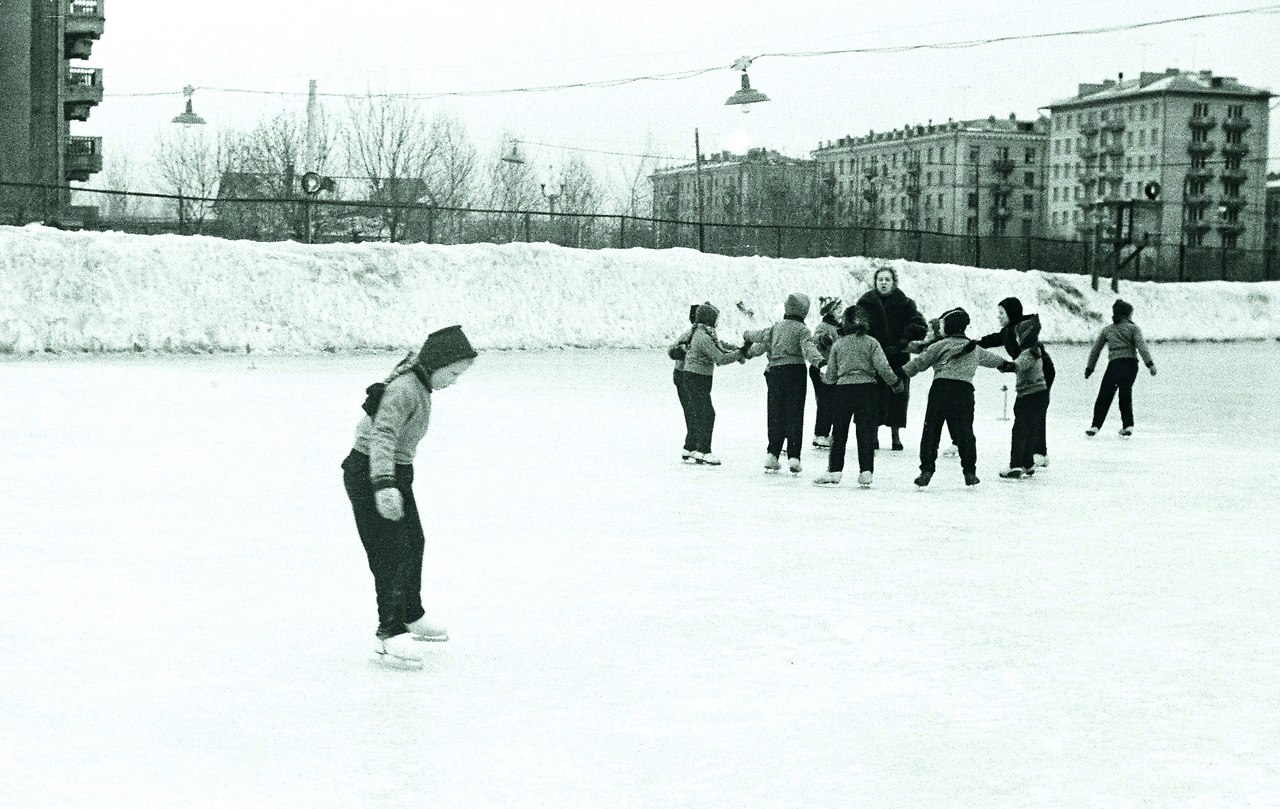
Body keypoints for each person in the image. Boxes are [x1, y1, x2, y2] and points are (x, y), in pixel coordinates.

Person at [342, 325, 478, 669]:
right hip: (372, 471)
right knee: (389, 552)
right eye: (453, 373)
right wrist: (384, 484)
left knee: (412, 542)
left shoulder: (419, 381)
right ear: (436, 364)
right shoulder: (405, 389)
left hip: (395, 471)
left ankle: (411, 614)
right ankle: (390, 632)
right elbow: (382, 435)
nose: (454, 381)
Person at [900, 307, 1014, 488]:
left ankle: (926, 470)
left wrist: (900, 373)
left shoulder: (939, 345)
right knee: (965, 433)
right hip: (964, 392)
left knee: (931, 431)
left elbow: (920, 362)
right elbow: (992, 359)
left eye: (943, 324)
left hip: (940, 390)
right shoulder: (974, 348)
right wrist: (1007, 365)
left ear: (949, 327)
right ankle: (970, 472)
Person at [814, 305, 903, 488]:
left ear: (844, 323)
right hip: (867, 390)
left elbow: (831, 375)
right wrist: (895, 383)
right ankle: (866, 472)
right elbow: (883, 367)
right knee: (866, 432)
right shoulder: (872, 342)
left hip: (843, 391)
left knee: (839, 432)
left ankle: (834, 471)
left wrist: (825, 378)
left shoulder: (839, 344)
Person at [743, 293, 824, 474]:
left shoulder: (775, 328)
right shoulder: (802, 330)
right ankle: (794, 457)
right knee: (795, 412)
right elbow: (809, 349)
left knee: (775, 412)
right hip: (795, 372)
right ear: (804, 311)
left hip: (775, 373)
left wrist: (746, 347)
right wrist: (821, 362)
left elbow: (758, 340)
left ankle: (772, 454)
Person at [978, 296, 1056, 468]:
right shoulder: (1008, 331)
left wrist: (1012, 366)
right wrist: (975, 344)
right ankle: (1033, 455)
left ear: (1010, 314)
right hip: (1029, 369)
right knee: (1032, 412)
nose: (998, 316)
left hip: (1043, 370)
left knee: (1034, 412)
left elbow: (1035, 351)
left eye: (1001, 313)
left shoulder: (1020, 330)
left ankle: (1039, 453)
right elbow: (993, 339)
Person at [856, 267, 927, 451]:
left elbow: (919, 323)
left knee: (898, 394)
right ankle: (874, 435)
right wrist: (868, 341)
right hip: (873, 356)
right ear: (875, 282)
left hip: (898, 357)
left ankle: (895, 435)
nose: (884, 283)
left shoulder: (906, 303)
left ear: (894, 282)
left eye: (888, 279)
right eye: (880, 279)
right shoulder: (865, 302)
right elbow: (856, 323)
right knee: (874, 395)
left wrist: (905, 339)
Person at [682, 303, 747, 465]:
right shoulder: (702, 337)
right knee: (707, 414)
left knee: (699, 413)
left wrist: (736, 351)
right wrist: (740, 353)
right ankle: (704, 451)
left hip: (696, 377)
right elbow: (720, 358)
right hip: (696, 377)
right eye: (715, 318)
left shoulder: (702, 333)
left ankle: (692, 448)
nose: (717, 322)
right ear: (708, 320)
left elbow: (720, 347)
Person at [1085, 299, 1156, 437]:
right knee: (1125, 393)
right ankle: (1128, 426)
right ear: (1127, 315)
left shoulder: (1107, 330)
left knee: (1104, 395)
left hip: (1115, 365)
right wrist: (1150, 364)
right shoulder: (1134, 329)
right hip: (1131, 365)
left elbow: (1096, 351)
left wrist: (1089, 368)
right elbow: (1142, 347)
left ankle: (1095, 426)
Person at [999, 315, 1049, 479]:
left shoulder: (1031, 352)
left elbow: (1021, 364)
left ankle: (1015, 465)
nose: (1018, 339)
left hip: (1029, 395)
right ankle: (1027, 463)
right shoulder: (1035, 349)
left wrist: (1009, 366)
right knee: (1030, 430)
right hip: (1039, 394)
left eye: (1019, 335)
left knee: (1019, 431)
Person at [667, 304, 700, 462]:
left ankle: (691, 445)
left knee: (691, 411)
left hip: (682, 376)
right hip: (684, 376)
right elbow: (672, 351)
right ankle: (691, 446)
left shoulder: (691, 334)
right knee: (693, 411)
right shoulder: (691, 335)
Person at [810, 296, 843, 450]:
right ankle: (821, 434)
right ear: (830, 311)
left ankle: (823, 433)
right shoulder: (824, 326)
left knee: (831, 402)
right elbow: (815, 339)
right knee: (825, 401)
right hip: (821, 368)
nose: (840, 311)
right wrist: (823, 339)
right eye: (837, 309)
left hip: (832, 369)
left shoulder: (839, 327)